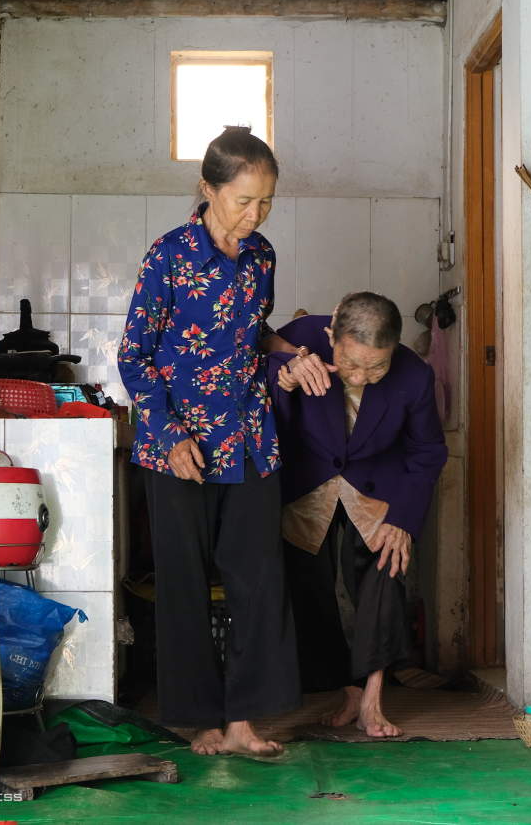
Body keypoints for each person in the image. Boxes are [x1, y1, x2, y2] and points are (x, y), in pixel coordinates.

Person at [118, 126, 319, 757]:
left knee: (258, 577)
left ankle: (244, 721)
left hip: (251, 438)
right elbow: (133, 358)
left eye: (266, 202)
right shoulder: (169, 255)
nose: (254, 215)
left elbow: (250, 337)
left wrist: (288, 355)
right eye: (242, 201)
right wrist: (169, 432)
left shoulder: (262, 257)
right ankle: (201, 718)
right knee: (181, 580)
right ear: (208, 190)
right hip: (180, 444)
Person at [265, 292, 448, 737]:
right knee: (306, 587)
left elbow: (427, 453)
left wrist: (404, 519)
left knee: (385, 574)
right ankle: (344, 690)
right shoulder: (302, 339)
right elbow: (253, 375)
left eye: (376, 367)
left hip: (376, 487)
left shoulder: (414, 375)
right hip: (307, 484)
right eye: (350, 363)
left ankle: (372, 698)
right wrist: (284, 378)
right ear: (331, 336)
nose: (362, 376)